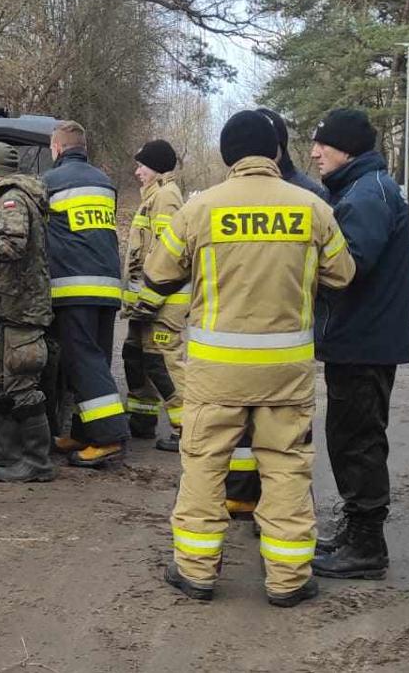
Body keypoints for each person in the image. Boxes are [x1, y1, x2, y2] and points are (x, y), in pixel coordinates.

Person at [141, 110, 355, 608]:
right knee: (285, 469)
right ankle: (288, 580)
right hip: (286, 371)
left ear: (226, 156)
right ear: (276, 152)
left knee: (203, 466)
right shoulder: (313, 208)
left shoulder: (199, 210)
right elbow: (342, 275)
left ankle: (195, 572)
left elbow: (158, 273)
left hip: (217, 372)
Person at [308, 107, 409, 581]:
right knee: (350, 436)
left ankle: (368, 545)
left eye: (322, 145)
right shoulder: (361, 189)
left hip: (363, 339)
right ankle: (355, 531)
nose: (314, 153)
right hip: (360, 337)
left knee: (358, 440)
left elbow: (347, 268)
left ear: (345, 147)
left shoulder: (367, 195)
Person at [223, 108, 329, 519]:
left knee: (282, 443)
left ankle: (273, 510)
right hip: (270, 344)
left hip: (274, 339)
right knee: (259, 436)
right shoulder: (307, 198)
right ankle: (248, 497)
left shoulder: (309, 198)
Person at [40, 120, 132, 468]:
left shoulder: (50, 182)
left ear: (58, 149)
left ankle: (108, 437)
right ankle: (85, 432)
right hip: (107, 286)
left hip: (73, 286)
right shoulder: (103, 182)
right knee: (96, 358)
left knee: (82, 362)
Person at [0, 143, 60, 483]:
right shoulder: (22, 196)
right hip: (13, 307)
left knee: (22, 380)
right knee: (5, 378)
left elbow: (11, 244)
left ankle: (37, 461)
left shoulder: (11, 198)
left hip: (23, 308)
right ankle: (7, 449)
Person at [121, 139, 188, 452]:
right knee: (135, 357)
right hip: (145, 301)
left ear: (157, 168)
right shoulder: (153, 196)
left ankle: (186, 428)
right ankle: (142, 421)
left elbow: (166, 256)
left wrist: (150, 298)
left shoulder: (165, 198)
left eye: (141, 166)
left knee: (161, 363)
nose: (137, 172)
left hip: (162, 302)